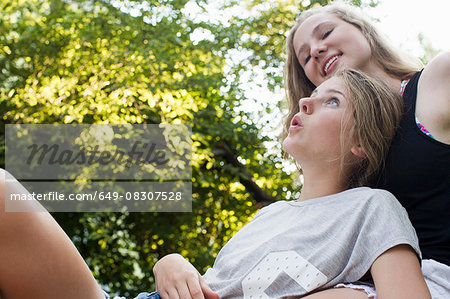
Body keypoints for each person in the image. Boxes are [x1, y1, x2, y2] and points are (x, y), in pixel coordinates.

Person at [151, 70, 431, 299]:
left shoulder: (374, 207)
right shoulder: (268, 215)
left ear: (361, 143)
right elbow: (214, 283)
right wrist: (169, 262)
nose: (304, 103)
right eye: (311, 96)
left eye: (333, 101)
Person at [283, 2, 450, 297]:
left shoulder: (436, 83)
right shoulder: (332, 157)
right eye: (306, 56)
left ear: (364, 30)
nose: (317, 51)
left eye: (326, 33)